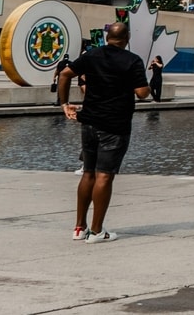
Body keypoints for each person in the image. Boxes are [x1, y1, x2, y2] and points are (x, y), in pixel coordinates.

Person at [57, 21, 150, 243]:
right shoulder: (132, 61)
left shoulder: (91, 56)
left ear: (108, 37)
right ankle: (97, 231)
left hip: (89, 123)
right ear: (127, 38)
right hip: (115, 125)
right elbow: (142, 93)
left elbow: (64, 75)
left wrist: (65, 104)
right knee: (104, 175)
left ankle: (79, 227)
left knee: (88, 173)